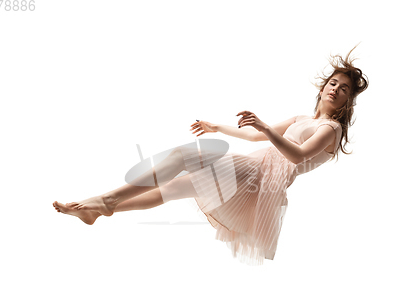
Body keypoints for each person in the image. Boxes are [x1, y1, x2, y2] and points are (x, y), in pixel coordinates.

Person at [53, 45, 368, 265]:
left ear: (348, 101)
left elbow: (297, 155)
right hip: (258, 173)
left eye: (343, 89)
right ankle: (102, 209)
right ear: (323, 85)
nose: (335, 89)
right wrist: (217, 126)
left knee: (180, 159)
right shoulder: (304, 119)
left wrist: (268, 129)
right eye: (333, 82)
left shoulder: (330, 130)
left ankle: (104, 203)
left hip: (261, 175)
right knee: (176, 186)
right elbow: (255, 134)